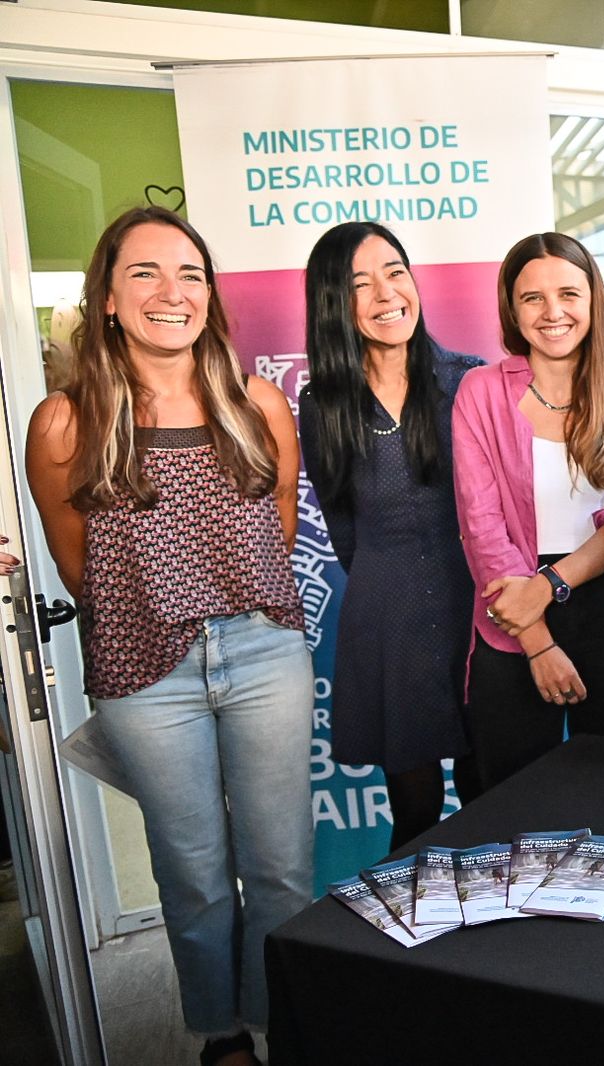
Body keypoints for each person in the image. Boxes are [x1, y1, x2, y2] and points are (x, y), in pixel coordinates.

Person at [25, 206, 310, 1066]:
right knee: (191, 876)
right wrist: (161, 600)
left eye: (189, 273)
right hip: (146, 676)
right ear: (107, 298)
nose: (170, 291)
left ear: (209, 296)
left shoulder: (256, 403)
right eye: (144, 272)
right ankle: (222, 1036)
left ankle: (284, 1019)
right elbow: (81, 571)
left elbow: (281, 530)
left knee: (283, 870)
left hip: (263, 654)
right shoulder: (65, 423)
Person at [299, 221, 484, 850]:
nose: (386, 294)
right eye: (360, 284)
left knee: (491, 802)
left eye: (395, 272)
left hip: (481, 613)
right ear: (334, 303)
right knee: (416, 818)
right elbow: (341, 525)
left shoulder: (468, 380)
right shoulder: (322, 404)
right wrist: (395, 579)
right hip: (388, 621)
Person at [452, 232, 604, 793]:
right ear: (512, 310)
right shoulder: (481, 391)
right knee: (510, 800)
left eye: (568, 293)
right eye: (532, 298)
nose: (553, 311)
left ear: (593, 299)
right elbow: (480, 526)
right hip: (508, 610)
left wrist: (551, 583)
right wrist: (536, 640)